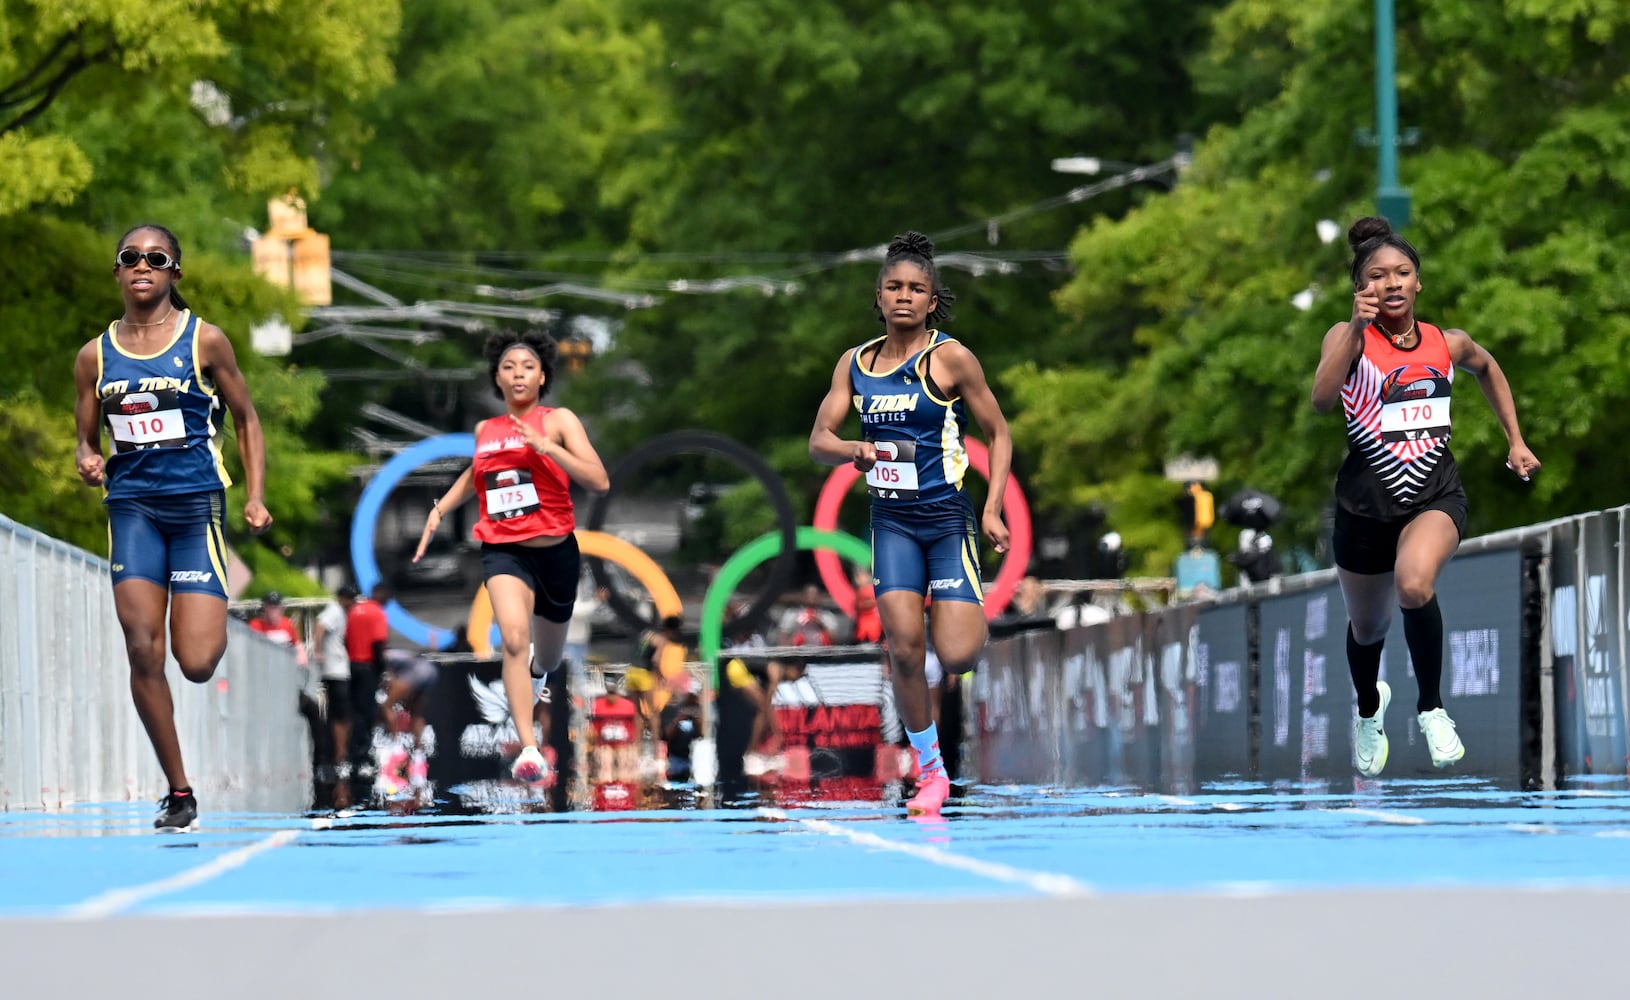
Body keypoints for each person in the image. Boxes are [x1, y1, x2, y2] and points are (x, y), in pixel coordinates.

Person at [1311, 216, 1540, 777]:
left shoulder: (1446, 342)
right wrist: (1352, 327)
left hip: (1433, 494)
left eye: (1402, 273)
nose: (1391, 283)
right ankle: (1370, 708)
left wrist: (1515, 439)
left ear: (1418, 284)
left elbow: (1487, 367)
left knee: (1415, 583)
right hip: (1364, 505)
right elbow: (1322, 400)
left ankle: (1433, 708)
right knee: (1368, 629)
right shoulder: (1347, 340)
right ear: (1361, 287)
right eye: (1377, 276)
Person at [73, 223, 271, 833]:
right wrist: (85, 458)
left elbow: (245, 418)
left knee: (197, 662)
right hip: (132, 508)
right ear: (117, 271)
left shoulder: (205, 341)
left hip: (194, 511)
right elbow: (84, 434)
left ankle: (206, 613)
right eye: (130, 257)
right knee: (141, 648)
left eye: (156, 259)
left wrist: (256, 496)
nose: (142, 266)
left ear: (173, 274)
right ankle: (179, 790)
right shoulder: (93, 356)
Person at [808, 230, 1013, 814]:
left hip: (947, 518)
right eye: (894, 287)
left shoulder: (951, 358)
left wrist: (993, 506)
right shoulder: (856, 364)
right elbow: (818, 439)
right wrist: (853, 449)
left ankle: (967, 618)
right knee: (902, 648)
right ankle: (931, 771)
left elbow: (998, 431)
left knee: (955, 657)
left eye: (916, 289)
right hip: (891, 521)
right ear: (878, 297)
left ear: (931, 300)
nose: (904, 296)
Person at [413, 329, 609, 785]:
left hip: (555, 551)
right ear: (497, 381)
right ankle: (529, 748)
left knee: (549, 657)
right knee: (514, 640)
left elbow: (598, 480)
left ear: (542, 377)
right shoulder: (486, 430)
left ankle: (540, 673)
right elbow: (475, 474)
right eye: (508, 368)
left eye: (527, 367)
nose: (518, 374)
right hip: (504, 550)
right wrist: (440, 508)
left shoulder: (559, 420)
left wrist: (548, 449)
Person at [310, 584, 358, 809]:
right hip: (335, 670)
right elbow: (320, 626)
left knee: (341, 714)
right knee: (342, 714)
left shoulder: (342, 613)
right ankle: (339, 754)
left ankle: (339, 753)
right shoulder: (334, 611)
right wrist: (318, 651)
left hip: (339, 668)